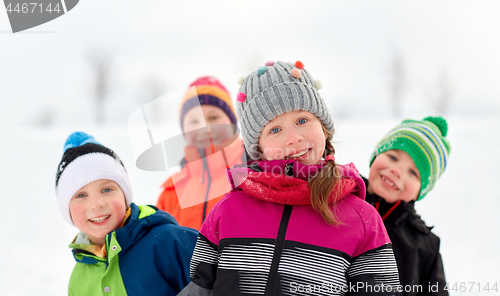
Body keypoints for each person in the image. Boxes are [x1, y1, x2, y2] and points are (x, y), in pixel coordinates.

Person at [180, 61, 401, 296]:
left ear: (324, 128)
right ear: (259, 148)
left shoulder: (362, 220)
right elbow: (200, 288)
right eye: (274, 130)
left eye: (302, 120)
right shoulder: (227, 211)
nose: (293, 138)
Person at [55, 131, 198, 296]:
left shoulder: (169, 242)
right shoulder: (78, 281)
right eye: (81, 195)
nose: (96, 204)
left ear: (125, 196)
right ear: (67, 209)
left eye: (107, 189)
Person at [363, 117, 451, 296]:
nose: (397, 171)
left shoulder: (425, 246)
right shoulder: (335, 199)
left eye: (413, 172)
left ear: (421, 190)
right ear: (376, 155)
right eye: (393, 157)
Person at [156, 76, 247, 230]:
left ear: (232, 123)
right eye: (194, 121)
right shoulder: (171, 194)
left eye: (213, 117)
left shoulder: (257, 172)